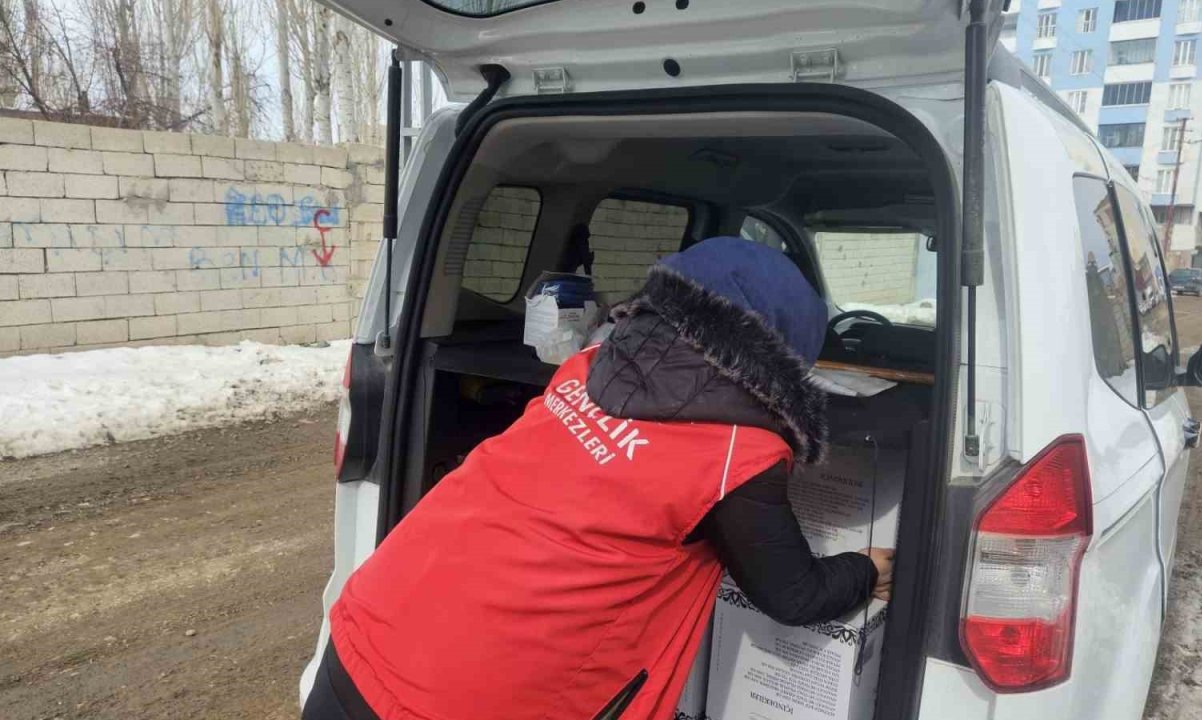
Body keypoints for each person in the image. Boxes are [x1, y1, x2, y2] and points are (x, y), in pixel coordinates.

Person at [304, 236, 894, 720]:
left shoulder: (583, 370)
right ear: (784, 360)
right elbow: (795, 595)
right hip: (464, 700)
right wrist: (868, 569)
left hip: (369, 630)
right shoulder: (736, 454)